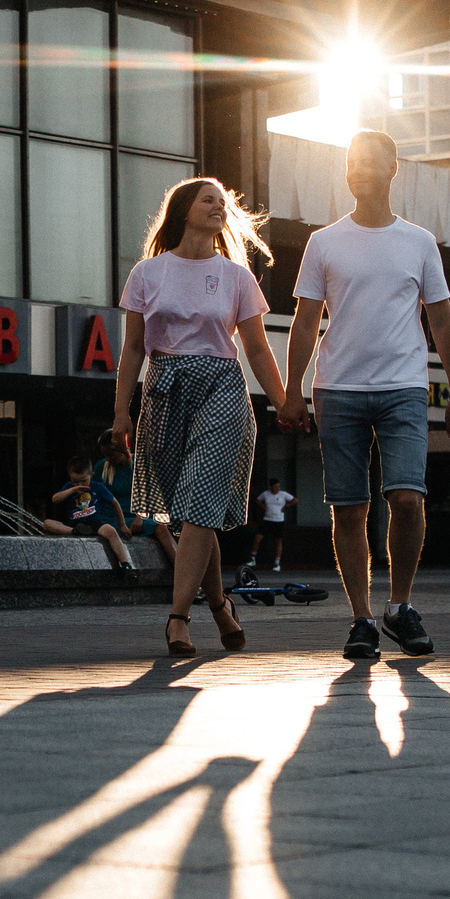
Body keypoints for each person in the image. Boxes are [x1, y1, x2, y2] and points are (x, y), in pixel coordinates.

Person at [276, 128, 450, 659]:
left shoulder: (419, 242)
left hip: (403, 388)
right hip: (337, 389)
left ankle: (400, 608)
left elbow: (443, 319)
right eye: (352, 162)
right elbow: (305, 319)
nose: (359, 169)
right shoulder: (324, 242)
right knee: (349, 510)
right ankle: (361, 618)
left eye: (370, 161)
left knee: (407, 500)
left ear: (392, 169)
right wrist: (291, 390)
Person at [112, 176, 288, 657]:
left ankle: (177, 618)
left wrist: (285, 401)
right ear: (184, 208)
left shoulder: (236, 277)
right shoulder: (148, 273)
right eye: (208, 199)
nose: (219, 206)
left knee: (199, 501)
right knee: (194, 512)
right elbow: (132, 350)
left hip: (223, 389)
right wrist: (121, 414)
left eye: (223, 202)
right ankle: (221, 607)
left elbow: (255, 347)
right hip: (165, 390)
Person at [90, 430, 176, 568]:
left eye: (110, 454)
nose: (107, 459)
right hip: (115, 517)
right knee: (159, 527)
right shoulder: (102, 467)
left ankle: (183, 572)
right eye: (104, 455)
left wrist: (140, 516)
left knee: (162, 526)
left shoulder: (139, 464)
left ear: (122, 449)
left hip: (138, 513)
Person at [42, 457, 135, 570]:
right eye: (75, 481)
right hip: (75, 525)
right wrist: (72, 490)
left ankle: (125, 563)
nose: (80, 484)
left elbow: (114, 503)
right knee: (47, 523)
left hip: (94, 523)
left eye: (84, 481)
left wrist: (122, 525)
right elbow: (55, 499)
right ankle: (76, 531)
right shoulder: (69, 487)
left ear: (91, 475)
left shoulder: (98, 487)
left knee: (110, 531)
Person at [246, 477, 295, 574]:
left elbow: (295, 500)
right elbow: (257, 500)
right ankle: (253, 559)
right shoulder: (266, 494)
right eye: (275, 487)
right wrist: (263, 507)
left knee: (278, 541)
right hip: (267, 520)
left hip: (278, 521)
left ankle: (277, 563)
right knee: (257, 538)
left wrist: (286, 507)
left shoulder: (283, 494)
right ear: (271, 487)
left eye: (278, 486)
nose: (277, 488)